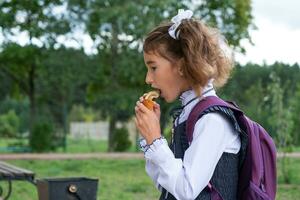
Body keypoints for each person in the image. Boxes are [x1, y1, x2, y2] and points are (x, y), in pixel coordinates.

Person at [135, 9, 241, 200]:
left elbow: (186, 190)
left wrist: (156, 141)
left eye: (153, 67)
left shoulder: (213, 119)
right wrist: (149, 138)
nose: (148, 79)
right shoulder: (187, 114)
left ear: (182, 66)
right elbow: (166, 185)